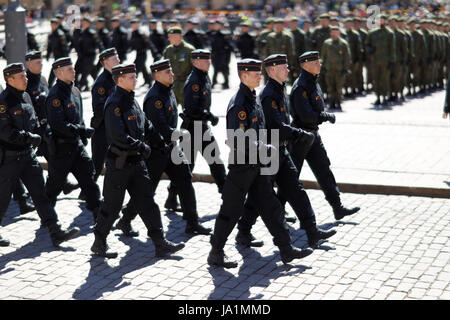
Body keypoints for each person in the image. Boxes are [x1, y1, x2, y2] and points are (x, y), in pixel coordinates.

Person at [207, 58, 314, 268]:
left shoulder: (253, 97)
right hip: (241, 166)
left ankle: (286, 249)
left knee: (271, 206)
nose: (259, 76)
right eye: (255, 73)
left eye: (259, 73)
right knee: (230, 210)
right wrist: (262, 148)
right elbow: (237, 139)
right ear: (243, 76)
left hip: (258, 164)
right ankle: (216, 252)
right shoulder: (239, 104)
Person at [236, 54, 337, 248]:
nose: (288, 71)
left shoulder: (280, 89)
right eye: (284, 67)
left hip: (281, 150)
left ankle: (311, 231)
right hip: (269, 152)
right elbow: (276, 125)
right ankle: (243, 231)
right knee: (259, 195)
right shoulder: (268, 95)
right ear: (273, 70)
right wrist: (300, 134)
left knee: (296, 191)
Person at [91, 63, 185, 258]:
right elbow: (118, 136)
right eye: (131, 77)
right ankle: (99, 242)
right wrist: (142, 147)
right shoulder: (114, 103)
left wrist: (160, 143)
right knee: (111, 205)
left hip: (137, 163)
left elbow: (146, 125)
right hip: (120, 164)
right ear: (120, 79)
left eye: (135, 76)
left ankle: (160, 243)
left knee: (148, 202)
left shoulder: (131, 100)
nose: (135, 79)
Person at [119, 59, 212, 236]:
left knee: (185, 180)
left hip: (171, 148)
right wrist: (180, 134)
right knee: (146, 190)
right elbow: (159, 127)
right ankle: (125, 219)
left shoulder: (168, 91)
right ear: (156, 75)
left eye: (171, 71)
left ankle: (192, 222)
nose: (172, 74)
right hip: (156, 152)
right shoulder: (155, 97)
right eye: (167, 72)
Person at [0, 63, 80, 247]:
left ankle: (56, 230)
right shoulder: (3, 102)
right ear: (9, 80)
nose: (25, 79)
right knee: (3, 198)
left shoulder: (26, 96)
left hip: (28, 156)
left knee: (40, 194)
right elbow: (4, 131)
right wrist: (29, 137)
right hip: (10, 158)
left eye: (25, 76)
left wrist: (43, 135)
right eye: (20, 77)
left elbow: (34, 122)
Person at [289, 51, 360, 220]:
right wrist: (324, 116)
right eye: (315, 63)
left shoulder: (313, 81)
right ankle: (279, 212)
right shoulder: (301, 86)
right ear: (305, 65)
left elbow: (316, 107)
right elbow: (305, 115)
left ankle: (337, 207)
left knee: (324, 171)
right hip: (300, 136)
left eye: (319, 62)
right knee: (290, 177)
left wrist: (322, 114)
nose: (319, 65)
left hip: (313, 135)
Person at [45, 57, 101, 222]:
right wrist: (81, 131)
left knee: (89, 180)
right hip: (62, 149)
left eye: (73, 68)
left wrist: (82, 136)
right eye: (69, 69)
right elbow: (58, 124)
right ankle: (47, 216)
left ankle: (99, 213)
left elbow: (79, 116)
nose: (74, 71)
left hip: (76, 146)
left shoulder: (75, 90)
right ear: (59, 73)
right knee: (55, 185)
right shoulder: (54, 96)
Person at [25, 51, 79, 197]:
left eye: (41, 61)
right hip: (35, 127)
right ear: (28, 64)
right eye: (37, 62)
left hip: (47, 125)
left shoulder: (42, 79)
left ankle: (59, 185)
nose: (41, 64)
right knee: (42, 158)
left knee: (52, 156)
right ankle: (36, 191)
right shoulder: (25, 82)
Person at [90, 48, 120, 183]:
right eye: (114, 59)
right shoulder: (102, 83)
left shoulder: (115, 77)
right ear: (105, 62)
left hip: (112, 127)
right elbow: (100, 109)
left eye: (117, 57)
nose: (118, 60)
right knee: (97, 162)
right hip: (102, 127)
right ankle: (87, 191)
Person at [163, 26, 195, 107]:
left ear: (178, 36)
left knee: (188, 112)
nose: (169, 39)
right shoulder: (168, 50)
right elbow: (165, 69)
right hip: (173, 85)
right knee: (171, 112)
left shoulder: (189, 50)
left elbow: (195, 70)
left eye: (171, 37)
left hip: (186, 85)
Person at [321, 26, 351, 110]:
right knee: (330, 86)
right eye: (333, 32)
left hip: (339, 69)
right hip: (329, 69)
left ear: (339, 33)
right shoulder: (327, 43)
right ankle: (332, 102)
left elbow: (347, 57)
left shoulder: (343, 43)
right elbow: (323, 56)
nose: (334, 34)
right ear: (330, 33)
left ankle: (338, 102)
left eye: (336, 32)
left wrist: (346, 68)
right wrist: (322, 66)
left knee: (339, 87)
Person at [75, 16, 104, 91]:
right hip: (81, 56)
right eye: (83, 22)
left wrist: (103, 53)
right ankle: (96, 84)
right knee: (78, 70)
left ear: (89, 24)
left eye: (85, 22)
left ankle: (80, 86)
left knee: (85, 71)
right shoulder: (80, 32)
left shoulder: (92, 33)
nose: (83, 24)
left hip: (90, 55)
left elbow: (99, 44)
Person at [129, 18, 154, 87]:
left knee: (136, 68)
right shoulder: (133, 33)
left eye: (134, 24)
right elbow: (132, 44)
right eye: (132, 25)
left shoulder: (141, 33)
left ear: (137, 25)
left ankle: (131, 84)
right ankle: (148, 81)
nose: (133, 26)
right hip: (138, 53)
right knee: (143, 69)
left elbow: (148, 43)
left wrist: (153, 51)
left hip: (142, 54)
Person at [46, 18, 69, 87]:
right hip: (56, 56)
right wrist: (48, 54)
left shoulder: (60, 34)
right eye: (51, 24)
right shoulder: (51, 35)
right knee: (56, 72)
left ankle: (51, 85)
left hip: (61, 57)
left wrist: (66, 58)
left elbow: (64, 47)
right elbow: (49, 46)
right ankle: (50, 86)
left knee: (59, 72)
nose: (52, 26)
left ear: (57, 25)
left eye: (54, 24)